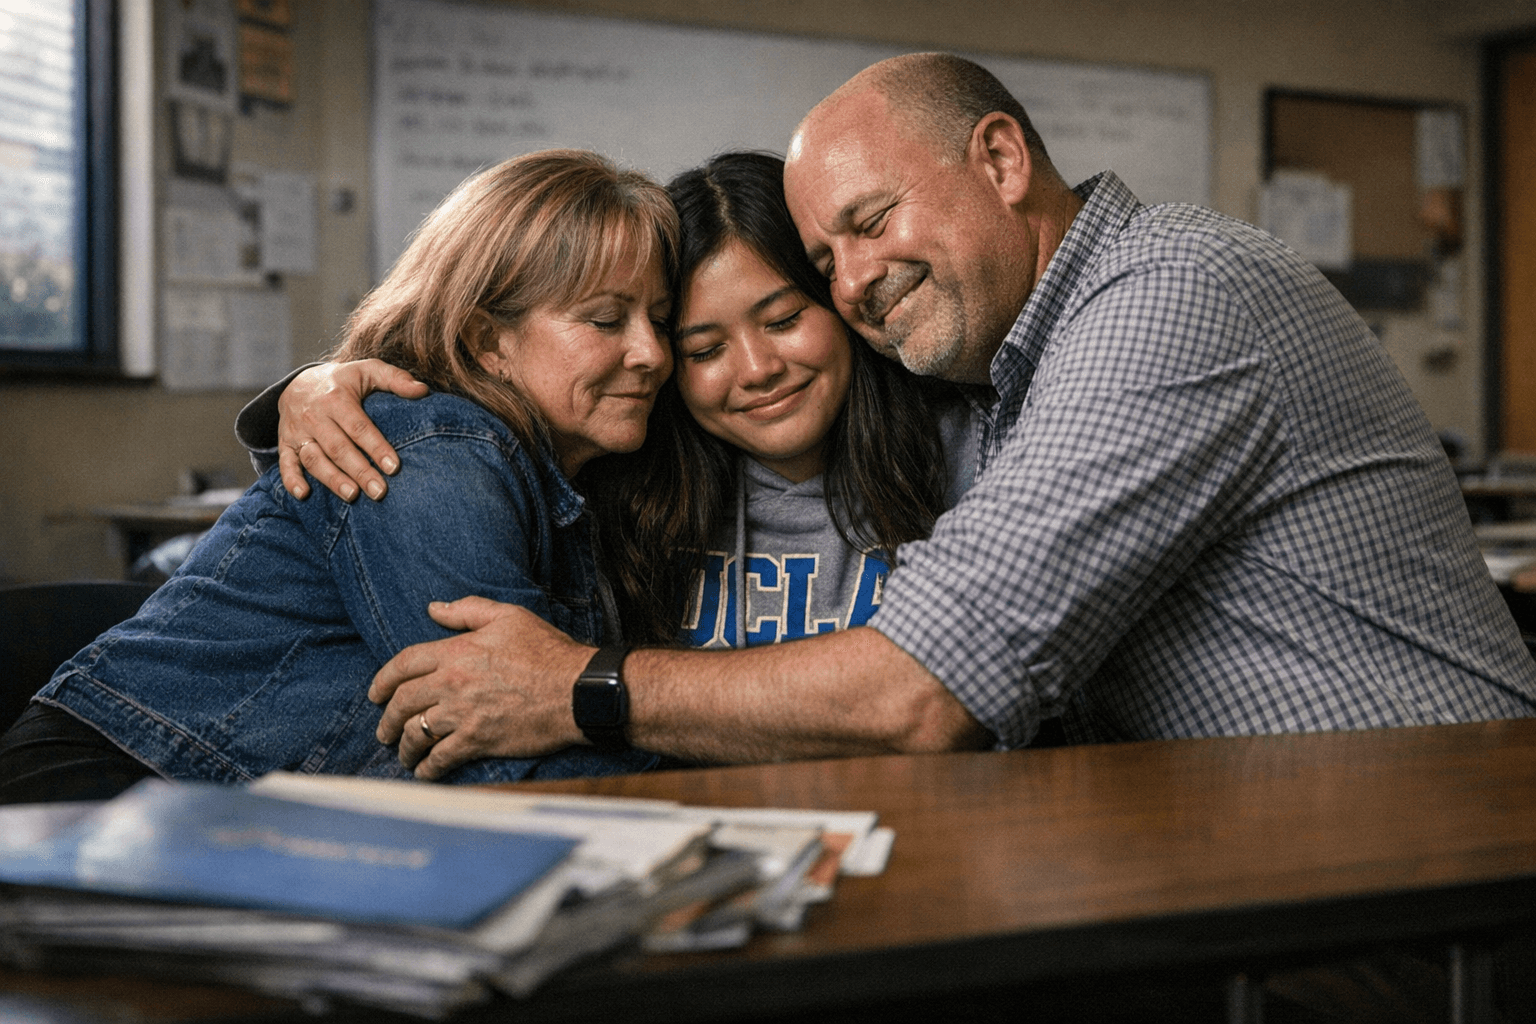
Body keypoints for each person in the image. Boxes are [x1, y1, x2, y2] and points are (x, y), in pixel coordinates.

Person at [270, 53, 1536, 782]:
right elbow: (533, 394)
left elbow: (931, 690)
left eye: (870, 227)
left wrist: (580, 688)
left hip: (1416, 870)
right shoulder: (1001, 375)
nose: (858, 283)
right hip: (1244, 850)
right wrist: (328, 380)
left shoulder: (1170, 294)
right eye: (833, 257)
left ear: (998, 161)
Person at [0, 149, 678, 803]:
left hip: (238, 812)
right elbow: (496, 742)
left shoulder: (586, 466)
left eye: (663, 321)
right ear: (485, 341)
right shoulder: (431, 442)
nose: (652, 353)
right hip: (109, 796)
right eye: (605, 320)